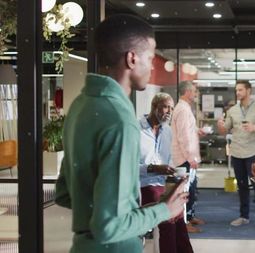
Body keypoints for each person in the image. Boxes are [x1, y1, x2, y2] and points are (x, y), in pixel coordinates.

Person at [55, 14, 188, 253]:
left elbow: (65, 194)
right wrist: (164, 210)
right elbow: (110, 226)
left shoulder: (81, 105)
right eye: (150, 57)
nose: (153, 65)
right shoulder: (120, 119)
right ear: (132, 58)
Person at [217, 80, 255, 231]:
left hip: (252, 153)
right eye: (236, 90)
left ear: (249, 91)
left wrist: (254, 127)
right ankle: (244, 216)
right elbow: (225, 130)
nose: (237, 93)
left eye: (240, 90)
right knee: (242, 186)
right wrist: (221, 126)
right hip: (236, 153)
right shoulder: (233, 110)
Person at [139, 92, 193, 253]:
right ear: (154, 107)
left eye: (171, 108)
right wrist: (153, 168)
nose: (169, 111)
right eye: (165, 107)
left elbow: (170, 160)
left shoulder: (168, 131)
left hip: (164, 184)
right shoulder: (136, 130)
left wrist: (176, 173)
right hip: (143, 185)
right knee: (169, 217)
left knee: (179, 218)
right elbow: (127, 167)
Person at [171, 81, 206, 233]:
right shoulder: (183, 110)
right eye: (193, 91)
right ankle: (183, 222)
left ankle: (190, 216)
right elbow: (183, 137)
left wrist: (197, 130)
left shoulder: (184, 108)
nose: (195, 93)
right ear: (186, 92)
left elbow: (187, 130)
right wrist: (191, 158)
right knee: (184, 191)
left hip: (186, 157)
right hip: (183, 159)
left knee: (191, 189)